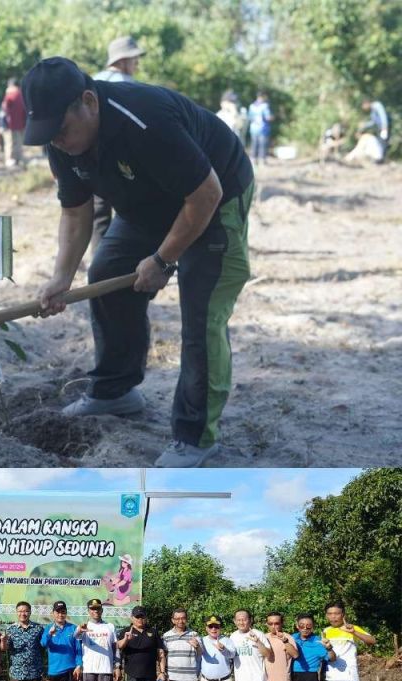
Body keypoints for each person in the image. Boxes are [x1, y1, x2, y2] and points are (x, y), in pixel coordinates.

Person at [24, 56, 255, 467]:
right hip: (147, 202)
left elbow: (204, 195)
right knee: (106, 273)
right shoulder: (61, 142)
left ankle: (196, 438)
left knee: (201, 315)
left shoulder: (144, 122)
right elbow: (76, 212)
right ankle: (115, 392)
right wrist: (61, 277)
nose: (56, 141)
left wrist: (164, 260)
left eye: (61, 130)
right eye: (48, 135)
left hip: (215, 196)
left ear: (89, 102)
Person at [90, 36, 144, 253]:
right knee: (131, 214)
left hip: (94, 158)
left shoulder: (91, 81)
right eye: (134, 59)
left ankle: (100, 262)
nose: (137, 64)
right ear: (123, 60)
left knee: (99, 212)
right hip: (126, 160)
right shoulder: (131, 86)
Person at [75, 598, 118, 681]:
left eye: (98, 608)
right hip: (89, 669)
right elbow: (76, 636)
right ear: (88, 611)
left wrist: (117, 665)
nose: (96, 611)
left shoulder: (110, 626)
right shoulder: (84, 626)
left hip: (105, 669)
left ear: (102, 610)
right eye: (93, 609)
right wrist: (80, 630)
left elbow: (115, 647)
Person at [41, 600, 83, 681]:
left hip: (71, 669)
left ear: (66, 613)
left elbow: (78, 649)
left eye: (63, 612)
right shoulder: (48, 628)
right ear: (53, 613)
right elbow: (43, 644)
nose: (60, 614)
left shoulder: (73, 628)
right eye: (58, 612)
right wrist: (49, 635)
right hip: (54, 670)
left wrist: (79, 665)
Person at [4, 601, 45, 681]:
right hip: (17, 671)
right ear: (17, 613)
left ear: (30, 612)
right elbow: (4, 648)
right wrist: (2, 642)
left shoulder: (38, 628)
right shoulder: (10, 630)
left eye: (26, 611)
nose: (23, 613)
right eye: (20, 611)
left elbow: (43, 646)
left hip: (34, 671)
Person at [0, 77, 26, 167]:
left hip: (9, 124)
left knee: (9, 143)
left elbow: (4, 110)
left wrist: (2, 124)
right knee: (19, 142)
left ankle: (10, 160)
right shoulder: (21, 94)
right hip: (20, 123)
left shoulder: (9, 95)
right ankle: (19, 159)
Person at [247, 91, 273, 167]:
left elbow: (249, 117)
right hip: (263, 129)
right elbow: (268, 117)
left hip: (253, 129)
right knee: (263, 145)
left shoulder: (252, 106)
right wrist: (272, 117)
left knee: (254, 145)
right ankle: (262, 161)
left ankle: (253, 160)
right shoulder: (265, 106)